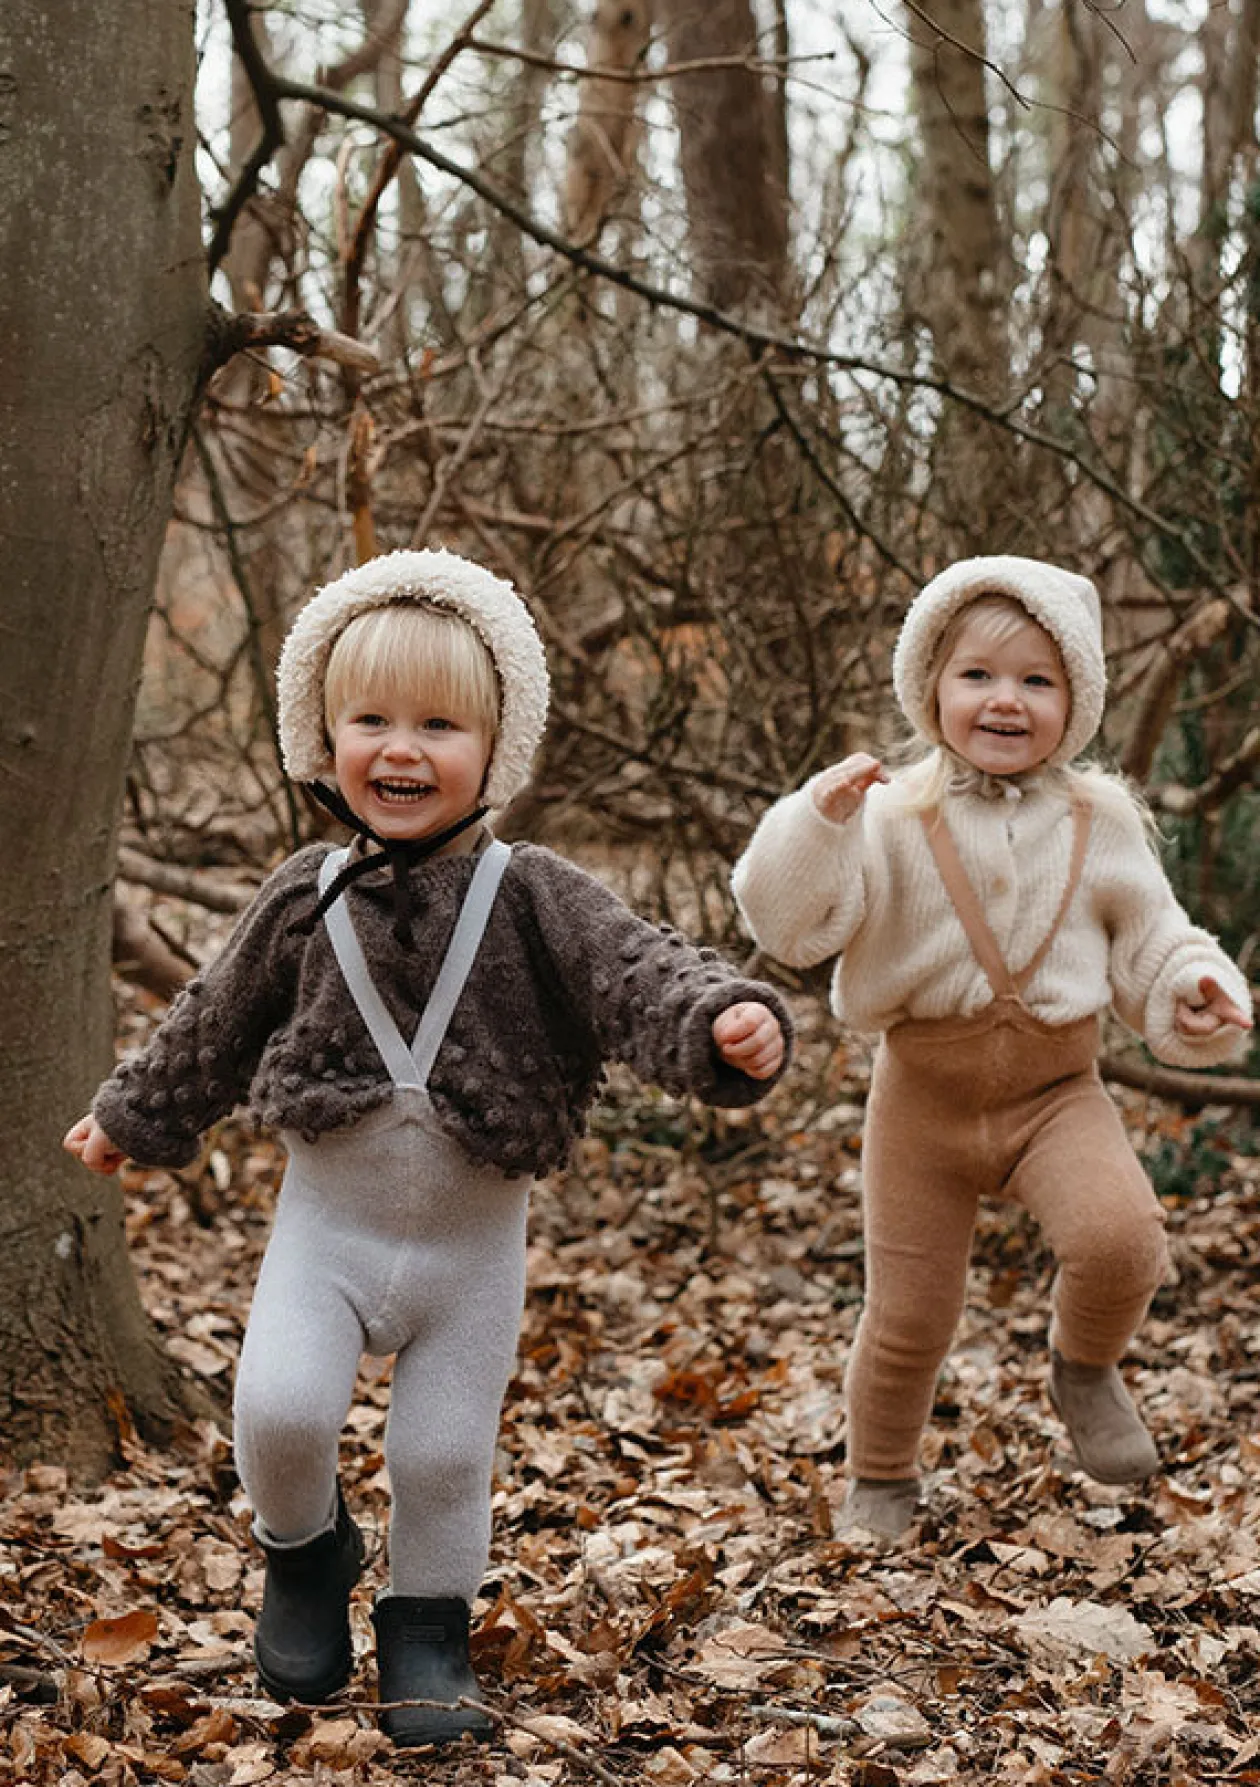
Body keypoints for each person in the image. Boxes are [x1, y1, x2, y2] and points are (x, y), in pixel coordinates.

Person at [65, 548, 791, 1745]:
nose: (401, 749)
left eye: (440, 723)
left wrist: (720, 1020)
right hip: (327, 1230)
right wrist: (136, 1113)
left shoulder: (534, 892)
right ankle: (304, 1553)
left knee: (445, 1452)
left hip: (471, 1251)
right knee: (282, 1409)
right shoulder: (305, 893)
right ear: (324, 735)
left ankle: (427, 1632)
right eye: (371, 719)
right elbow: (213, 1016)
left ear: (497, 747)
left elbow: (636, 970)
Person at [731, 554, 1252, 1545]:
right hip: (921, 1099)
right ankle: (881, 1475)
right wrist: (817, 824)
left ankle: (1084, 1365)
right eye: (977, 675)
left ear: (1077, 699)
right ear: (930, 684)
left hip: (1056, 1087)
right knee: (910, 1316)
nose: (1005, 700)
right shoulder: (889, 816)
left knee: (1123, 1237)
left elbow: (1153, 940)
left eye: (1037, 680)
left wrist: (1196, 984)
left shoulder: (1100, 823)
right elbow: (786, 924)